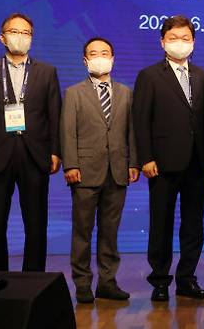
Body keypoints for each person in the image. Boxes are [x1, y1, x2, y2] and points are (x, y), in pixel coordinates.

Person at [0, 13, 61, 272]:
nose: (20, 37)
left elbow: (54, 115)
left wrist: (55, 151)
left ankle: (34, 280)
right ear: (2, 37)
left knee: (36, 223)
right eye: (14, 32)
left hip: (35, 155)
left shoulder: (47, 72)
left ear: (31, 39)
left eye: (26, 33)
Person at [133, 15, 204, 301]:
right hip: (162, 163)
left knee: (193, 224)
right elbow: (141, 120)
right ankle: (160, 281)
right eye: (174, 38)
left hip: (197, 162)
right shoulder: (149, 76)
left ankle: (187, 278)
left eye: (185, 38)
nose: (180, 43)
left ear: (193, 42)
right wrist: (145, 158)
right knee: (161, 224)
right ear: (162, 42)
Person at [60, 37, 140, 303]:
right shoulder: (73, 93)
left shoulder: (126, 92)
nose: (100, 58)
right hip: (84, 172)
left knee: (110, 231)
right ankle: (82, 283)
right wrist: (71, 164)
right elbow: (67, 132)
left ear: (113, 59)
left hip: (117, 171)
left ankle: (107, 282)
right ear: (85, 60)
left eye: (104, 53)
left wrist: (133, 163)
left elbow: (131, 132)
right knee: (82, 232)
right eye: (93, 54)